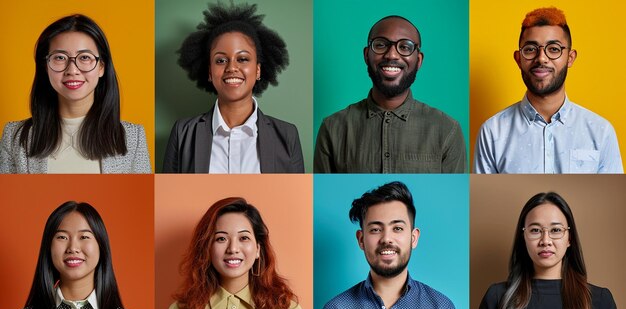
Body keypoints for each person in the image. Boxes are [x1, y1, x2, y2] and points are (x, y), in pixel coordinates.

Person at [314, 181, 465, 309]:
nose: (387, 238)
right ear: (361, 239)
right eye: (376, 229)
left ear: (413, 238)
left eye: (398, 228)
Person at [474, 7, 623, 174]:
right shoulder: (493, 132)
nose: (542, 58)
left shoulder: (601, 131)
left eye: (554, 49)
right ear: (518, 59)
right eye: (530, 49)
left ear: (570, 58)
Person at [162, 3, 304, 174]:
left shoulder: (287, 135)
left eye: (243, 59)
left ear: (258, 69)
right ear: (209, 71)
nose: (232, 67)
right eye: (221, 60)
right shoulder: (182, 133)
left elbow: (293, 199)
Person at [313, 16, 466, 173]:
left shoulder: (447, 130)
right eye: (380, 45)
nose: (392, 55)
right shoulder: (332, 128)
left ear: (418, 60)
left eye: (405, 47)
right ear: (367, 55)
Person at [0, 14, 151, 174]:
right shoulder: (14, 136)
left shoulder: (133, 138)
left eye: (85, 57)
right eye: (60, 57)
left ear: (101, 67)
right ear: (46, 66)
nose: (72, 70)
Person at [475, 192, 620, 309]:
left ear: (569, 238)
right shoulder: (497, 297)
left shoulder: (600, 301)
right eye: (535, 230)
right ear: (523, 237)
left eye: (556, 230)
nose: (545, 241)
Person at [160, 197, 309, 309]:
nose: (233, 248)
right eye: (221, 238)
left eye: (244, 238)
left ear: (258, 249)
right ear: (208, 249)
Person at [5, 201, 148, 309]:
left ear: (101, 246)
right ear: (48, 246)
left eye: (84, 237)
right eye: (62, 237)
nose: (73, 248)